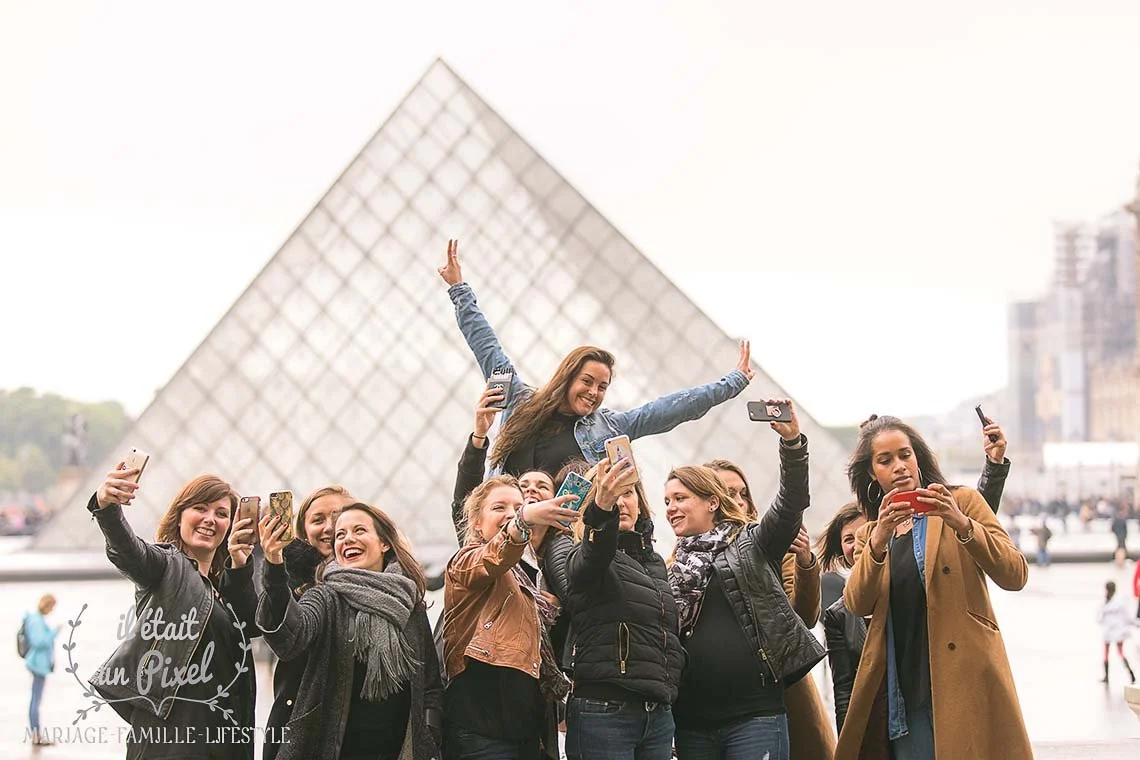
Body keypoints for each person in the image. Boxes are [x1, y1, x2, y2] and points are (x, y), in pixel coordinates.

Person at [438, 239, 754, 477]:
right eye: (587, 381)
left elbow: (674, 408)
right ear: (567, 377)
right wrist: (459, 289)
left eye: (602, 387)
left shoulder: (610, 426)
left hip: (560, 545)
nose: (594, 393)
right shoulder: (518, 400)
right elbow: (486, 345)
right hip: (508, 534)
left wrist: (732, 383)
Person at [835, 415, 1030, 760]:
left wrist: (962, 524)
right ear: (872, 473)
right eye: (885, 460)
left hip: (966, 682)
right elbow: (857, 603)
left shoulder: (963, 502)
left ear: (918, 457)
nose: (899, 466)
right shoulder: (870, 534)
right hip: (906, 692)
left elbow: (1014, 575)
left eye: (905, 455)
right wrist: (879, 539)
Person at [667, 401, 824, 760]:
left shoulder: (751, 541)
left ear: (710, 502)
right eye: (666, 501)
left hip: (754, 716)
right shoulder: (670, 566)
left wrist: (792, 443)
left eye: (680, 498)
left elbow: (791, 502)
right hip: (692, 721)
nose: (671, 507)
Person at [88, 465, 259, 759]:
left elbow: (251, 627)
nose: (210, 519)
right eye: (200, 508)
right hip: (171, 745)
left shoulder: (219, 589)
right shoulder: (168, 567)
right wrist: (107, 507)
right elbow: (129, 552)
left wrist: (240, 565)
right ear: (179, 517)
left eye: (221, 513)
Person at [258, 501, 441, 760]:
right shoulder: (325, 597)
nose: (348, 539)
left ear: (384, 543)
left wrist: (429, 734)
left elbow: (430, 684)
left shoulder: (409, 604)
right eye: (340, 535)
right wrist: (274, 568)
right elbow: (290, 636)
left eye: (359, 531)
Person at [550, 457, 682, 760]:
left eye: (629, 492)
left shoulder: (654, 562)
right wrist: (602, 509)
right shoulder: (578, 552)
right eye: (611, 493)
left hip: (657, 715)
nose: (621, 502)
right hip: (605, 711)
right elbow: (593, 555)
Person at [704, 457, 835, 760]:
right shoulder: (685, 557)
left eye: (743, 493)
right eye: (727, 493)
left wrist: (805, 563)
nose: (738, 500)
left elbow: (803, 617)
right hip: (709, 706)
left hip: (778, 695)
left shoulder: (775, 548)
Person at [442, 475, 579, 760]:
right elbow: (493, 557)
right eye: (498, 507)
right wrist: (522, 519)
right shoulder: (465, 561)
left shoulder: (537, 578)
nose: (510, 513)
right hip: (481, 728)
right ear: (477, 522)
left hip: (528, 731)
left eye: (516, 506)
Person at [264, 485, 356, 760]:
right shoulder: (289, 582)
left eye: (339, 516)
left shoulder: (384, 579)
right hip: (301, 728)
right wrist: (273, 563)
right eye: (318, 520)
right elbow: (284, 634)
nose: (329, 527)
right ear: (303, 533)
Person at [23, 593, 60, 746]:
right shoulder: (37, 621)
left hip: (38, 664)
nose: (52, 610)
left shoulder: (35, 619)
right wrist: (53, 632)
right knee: (35, 700)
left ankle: (36, 734)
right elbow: (39, 642)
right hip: (37, 665)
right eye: (51, 607)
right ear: (46, 605)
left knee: (35, 699)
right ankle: (36, 735)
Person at [1097, 580, 1136, 685]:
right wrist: (1135, 623)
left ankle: (1106, 676)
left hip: (1108, 632)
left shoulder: (1105, 602)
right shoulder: (1120, 602)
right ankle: (1131, 674)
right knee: (1121, 653)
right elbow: (1128, 617)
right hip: (1118, 632)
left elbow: (1099, 618)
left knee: (1106, 654)